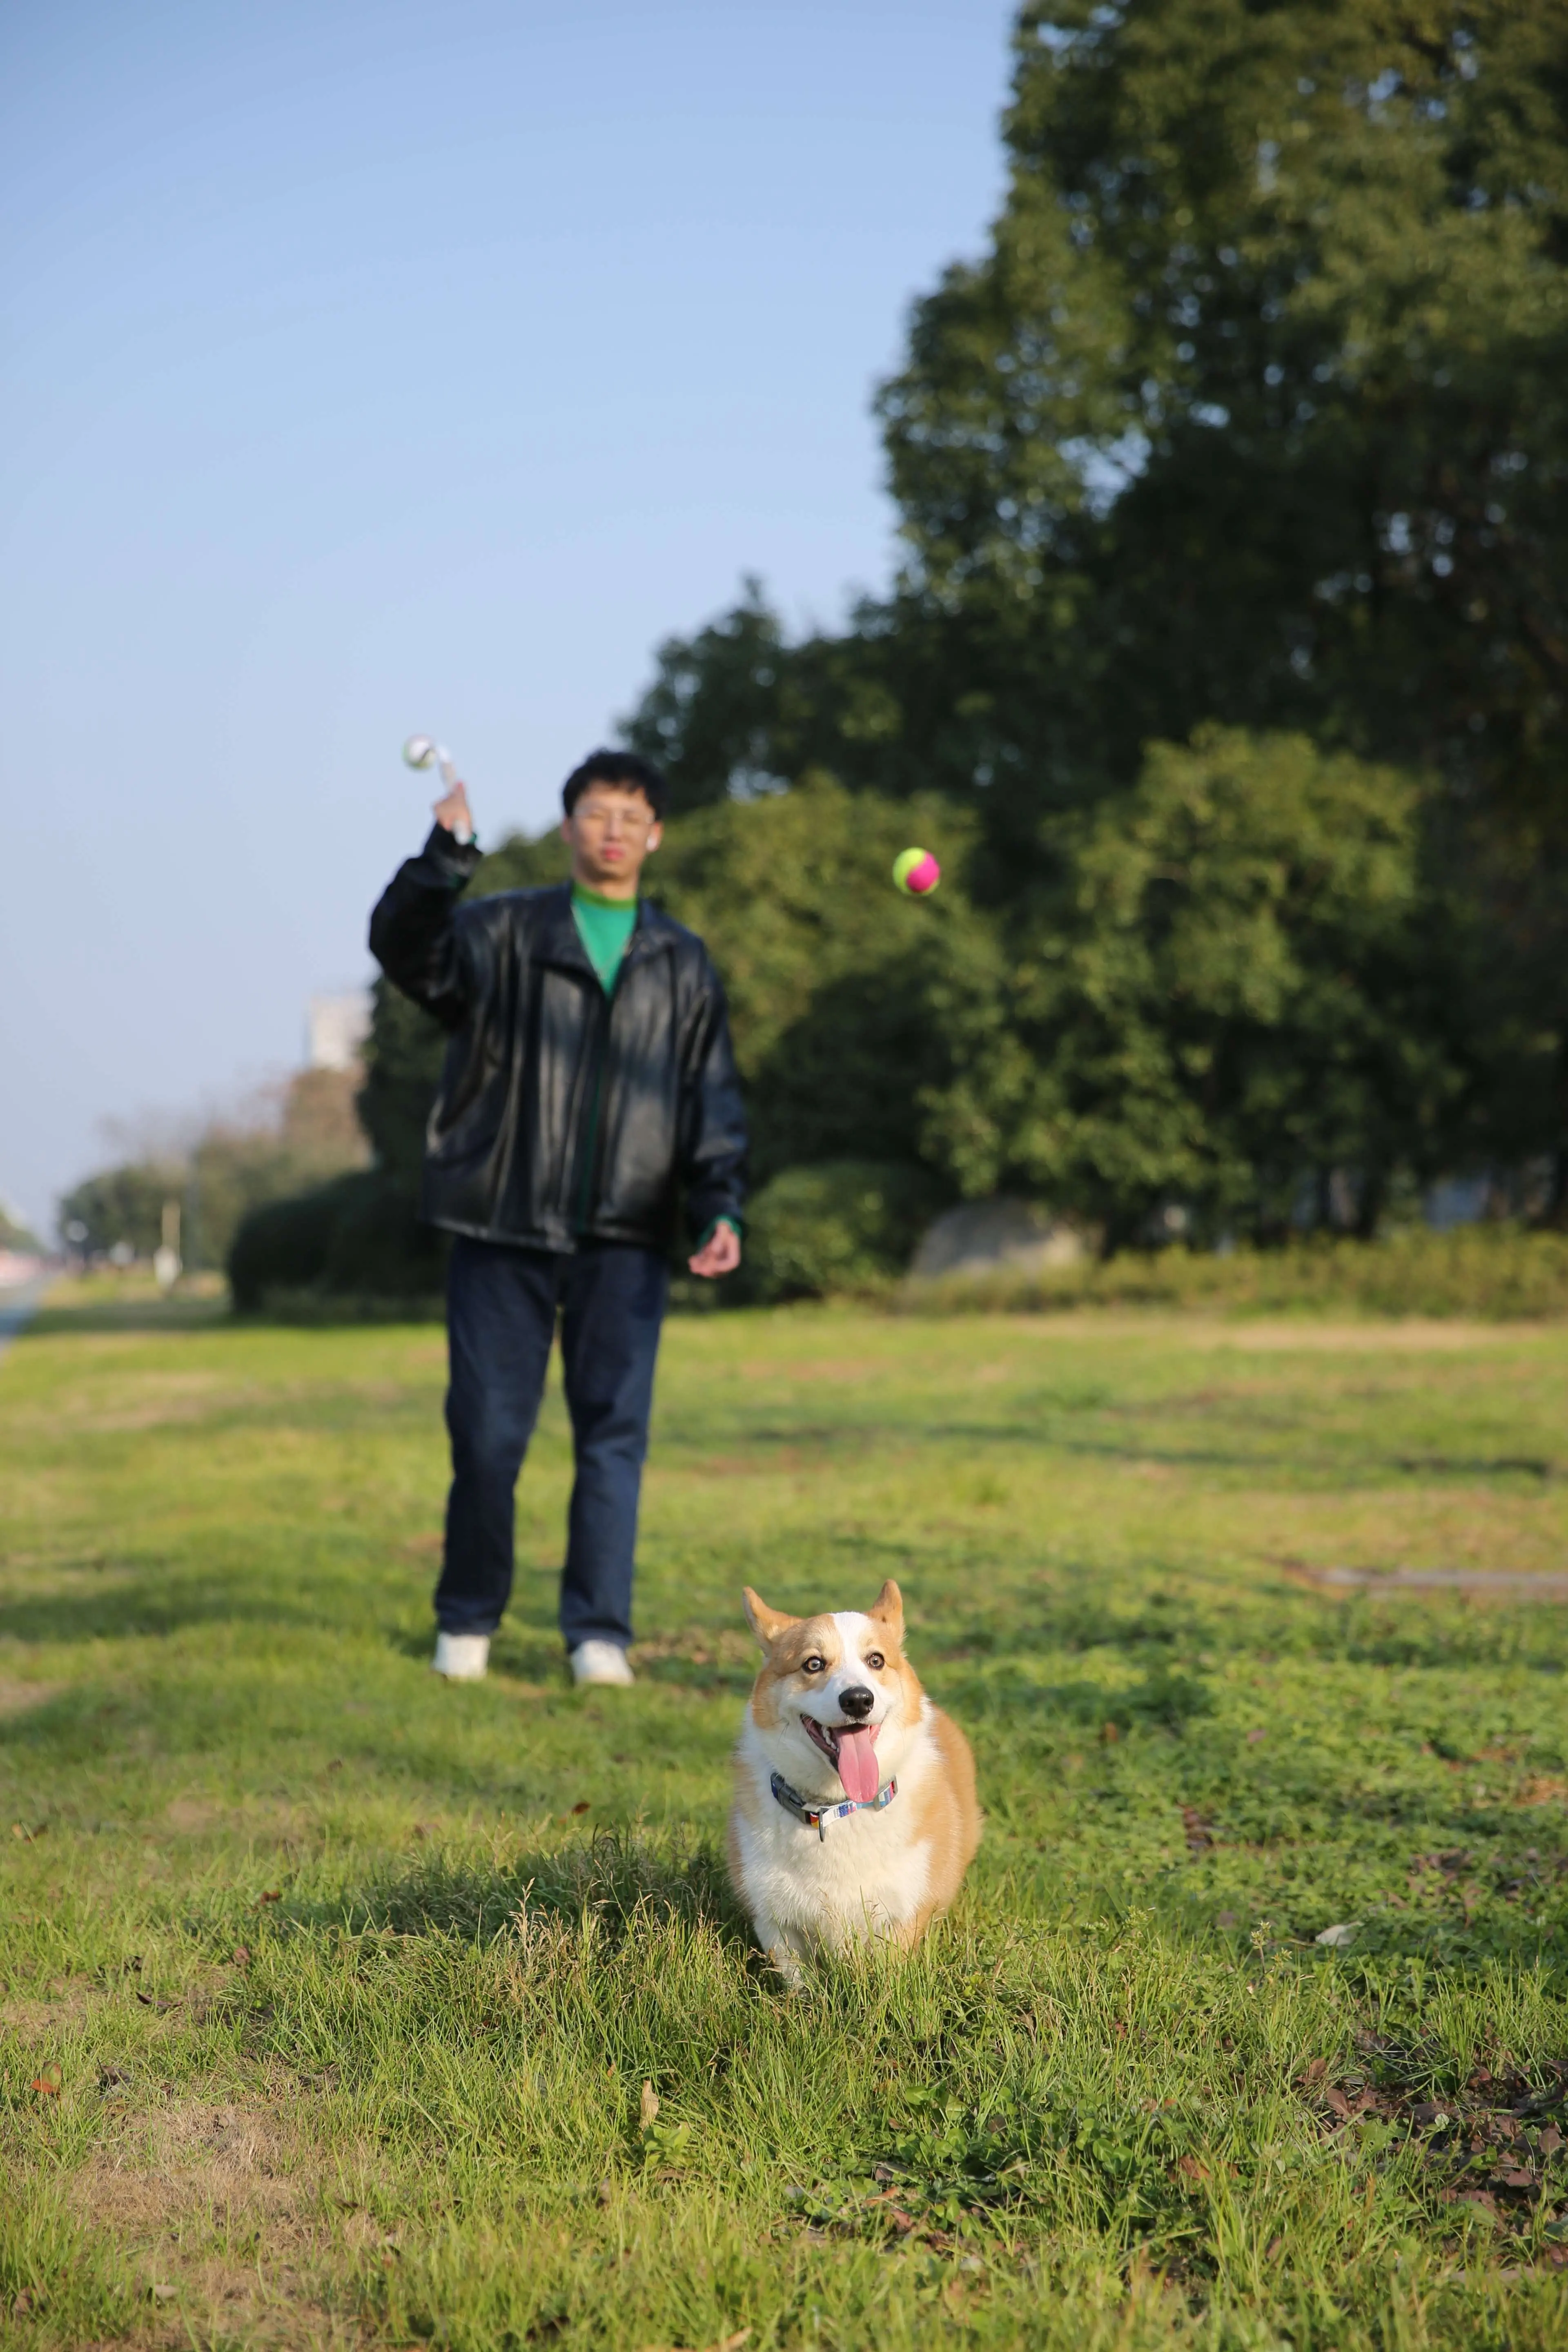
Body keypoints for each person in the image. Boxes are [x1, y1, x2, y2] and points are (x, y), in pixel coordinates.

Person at [368, 748, 747, 1687]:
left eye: (631, 815)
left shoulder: (683, 961)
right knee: (490, 1435)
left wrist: (717, 1205)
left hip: (626, 1238)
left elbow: (712, 1100)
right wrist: (443, 861)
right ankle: (467, 1621)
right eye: (595, 812)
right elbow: (404, 951)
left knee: (612, 1438)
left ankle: (598, 1636)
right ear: (570, 824)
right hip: (501, 1225)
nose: (612, 829)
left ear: (654, 834)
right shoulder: (500, 932)